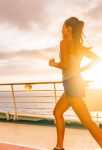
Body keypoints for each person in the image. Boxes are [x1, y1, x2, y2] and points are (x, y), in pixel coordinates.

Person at [49, 17, 102, 150]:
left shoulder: (64, 42)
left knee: (88, 122)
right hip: (72, 83)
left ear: (68, 29)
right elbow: (97, 59)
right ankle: (59, 147)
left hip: (72, 84)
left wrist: (54, 64)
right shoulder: (78, 46)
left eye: (63, 27)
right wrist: (80, 70)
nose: (61, 30)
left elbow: (66, 65)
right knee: (57, 112)